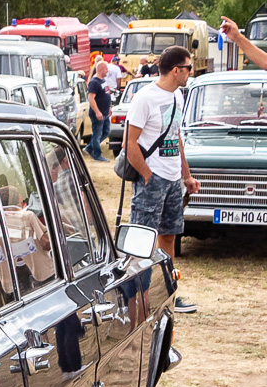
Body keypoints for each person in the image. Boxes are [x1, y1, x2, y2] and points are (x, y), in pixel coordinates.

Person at [125, 44, 200, 319]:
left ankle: (167, 294)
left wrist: (186, 175)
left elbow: (176, 138)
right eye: (188, 68)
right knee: (143, 240)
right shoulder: (145, 98)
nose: (190, 72)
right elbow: (129, 143)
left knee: (169, 237)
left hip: (171, 180)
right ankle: (140, 301)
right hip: (152, 179)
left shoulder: (178, 96)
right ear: (176, 70)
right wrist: (147, 175)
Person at [85, 60, 112, 161]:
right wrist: (97, 112)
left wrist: (109, 107)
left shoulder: (103, 81)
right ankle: (97, 154)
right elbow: (91, 98)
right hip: (98, 114)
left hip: (105, 112)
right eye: (106, 69)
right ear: (100, 69)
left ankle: (89, 147)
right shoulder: (94, 82)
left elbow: (106, 94)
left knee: (106, 132)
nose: (107, 71)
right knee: (97, 134)